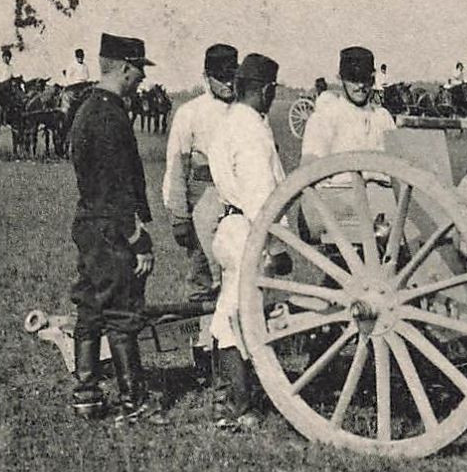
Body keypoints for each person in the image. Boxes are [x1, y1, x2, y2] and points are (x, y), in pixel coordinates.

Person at [66, 33, 157, 421]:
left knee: (90, 306)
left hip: (89, 222)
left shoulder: (88, 108)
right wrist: (137, 238)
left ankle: (86, 394)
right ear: (123, 67)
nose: (141, 79)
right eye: (139, 70)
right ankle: (133, 403)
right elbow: (115, 185)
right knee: (122, 311)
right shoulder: (109, 115)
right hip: (110, 226)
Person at [207, 53, 288, 430]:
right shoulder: (252, 132)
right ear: (267, 91)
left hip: (230, 226)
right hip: (249, 231)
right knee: (236, 315)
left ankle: (240, 397)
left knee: (234, 311)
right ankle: (240, 405)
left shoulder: (229, 123)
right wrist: (275, 246)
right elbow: (260, 195)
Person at [162, 43, 238, 340]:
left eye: (233, 75)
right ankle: (203, 353)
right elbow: (177, 165)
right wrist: (180, 215)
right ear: (207, 77)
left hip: (237, 197)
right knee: (202, 276)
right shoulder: (190, 112)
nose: (228, 83)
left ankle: (234, 354)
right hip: (202, 197)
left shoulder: (245, 111)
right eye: (221, 76)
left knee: (236, 277)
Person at [301, 45, 397, 172]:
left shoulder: (383, 118)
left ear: (373, 79)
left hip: (383, 190)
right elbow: (308, 175)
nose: (361, 85)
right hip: (340, 189)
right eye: (354, 79)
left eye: (365, 78)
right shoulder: (324, 119)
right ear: (340, 79)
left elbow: (398, 167)